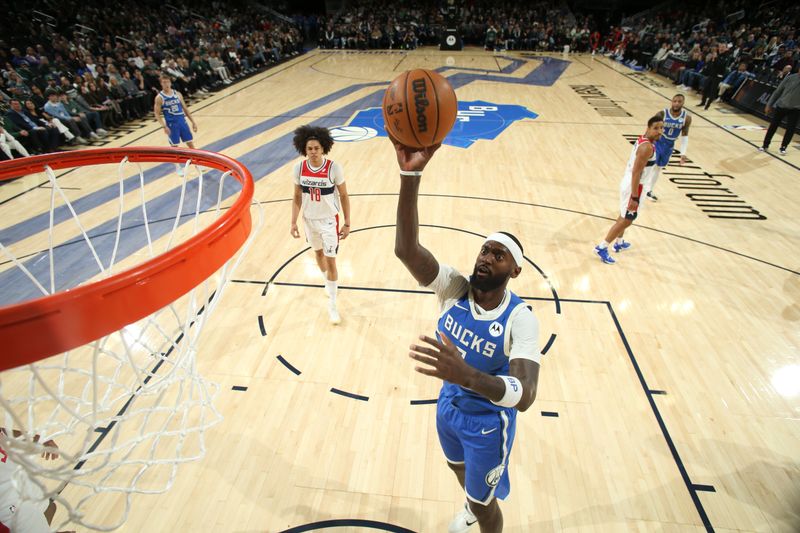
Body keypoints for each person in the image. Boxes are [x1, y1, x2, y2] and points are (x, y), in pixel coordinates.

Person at [392, 139, 541, 533]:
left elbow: (525, 395)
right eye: (485, 250)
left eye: (498, 255)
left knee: (486, 503)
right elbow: (406, 250)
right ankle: (471, 505)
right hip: (447, 408)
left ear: (515, 270)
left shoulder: (520, 318)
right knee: (456, 470)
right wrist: (410, 175)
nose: (486, 257)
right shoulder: (454, 287)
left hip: (489, 424)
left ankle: (478, 510)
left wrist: (469, 377)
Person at [290, 125, 351, 325]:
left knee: (331, 259)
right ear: (304, 150)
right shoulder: (299, 168)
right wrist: (293, 221)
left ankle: (332, 305)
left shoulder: (334, 168)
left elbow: (343, 195)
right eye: (310, 149)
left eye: (317, 148)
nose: (314, 152)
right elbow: (297, 196)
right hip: (309, 220)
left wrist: (347, 222)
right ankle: (328, 282)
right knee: (318, 254)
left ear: (323, 148)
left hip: (328, 220)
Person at [595, 116, 664, 264]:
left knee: (625, 216)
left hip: (633, 183)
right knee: (626, 219)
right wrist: (635, 197)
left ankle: (619, 242)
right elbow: (636, 173)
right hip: (635, 186)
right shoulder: (647, 147)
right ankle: (602, 247)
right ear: (648, 128)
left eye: (662, 128)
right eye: (656, 128)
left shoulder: (643, 140)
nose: (660, 131)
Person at [0, 428, 74, 533]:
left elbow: (3, 432)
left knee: (50, 508)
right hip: (9, 505)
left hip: (21, 481)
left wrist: (37, 439)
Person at [647, 94, 692, 201]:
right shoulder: (662, 114)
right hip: (658, 141)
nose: (676, 103)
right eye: (674, 101)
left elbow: (684, 135)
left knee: (658, 168)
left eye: (679, 101)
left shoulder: (686, 118)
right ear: (671, 101)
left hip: (669, 145)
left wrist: (683, 153)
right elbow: (650, 128)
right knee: (651, 166)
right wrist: (647, 142)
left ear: (683, 103)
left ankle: (649, 190)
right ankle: (641, 187)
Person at [153, 73, 198, 176]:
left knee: (190, 143)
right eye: (164, 82)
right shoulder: (159, 97)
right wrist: (164, 126)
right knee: (174, 147)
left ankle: (197, 163)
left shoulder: (177, 94)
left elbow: (185, 109)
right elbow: (156, 113)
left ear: (170, 82)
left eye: (167, 81)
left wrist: (193, 122)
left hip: (182, 121)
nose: (166, 84)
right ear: (161, 84)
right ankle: (178, 167)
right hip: (172, 124)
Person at [759, 67, 800, 156]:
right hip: (781, 106)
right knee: (773, 125)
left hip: (795, 109)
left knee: (790, 129)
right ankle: (765, 145)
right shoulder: (790, 78)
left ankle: (783, 147)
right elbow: (777, 92)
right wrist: (768, 104)